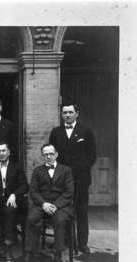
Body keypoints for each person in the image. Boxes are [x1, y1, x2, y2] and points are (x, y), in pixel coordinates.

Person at [49, 102, 96, 254]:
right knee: (63, 209)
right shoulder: (56, 132)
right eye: (65, 113)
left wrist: (81, 168)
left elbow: (92, 155)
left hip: (80, 178)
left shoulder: (85, 131)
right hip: (62, 180)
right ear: (61, 114)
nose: (67, 115)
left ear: (77, 113)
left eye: (70, 112)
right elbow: (52, 154)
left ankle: (82, 243)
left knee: (81, 210)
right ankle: (67, 241)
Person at [20, 144, 74, 262]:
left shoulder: (66, 170)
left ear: (56, 154)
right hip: (41, 204)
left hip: (59, 206)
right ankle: (29, 253)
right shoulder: (38, 171)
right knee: (31, 218)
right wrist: (44, 204)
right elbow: (33, 191)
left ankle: (58, 257)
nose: (48, 157)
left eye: (51, 154)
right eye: (45, 154)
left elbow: (69, 192)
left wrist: (56, 205)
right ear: (42, 156)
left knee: (60, 220)